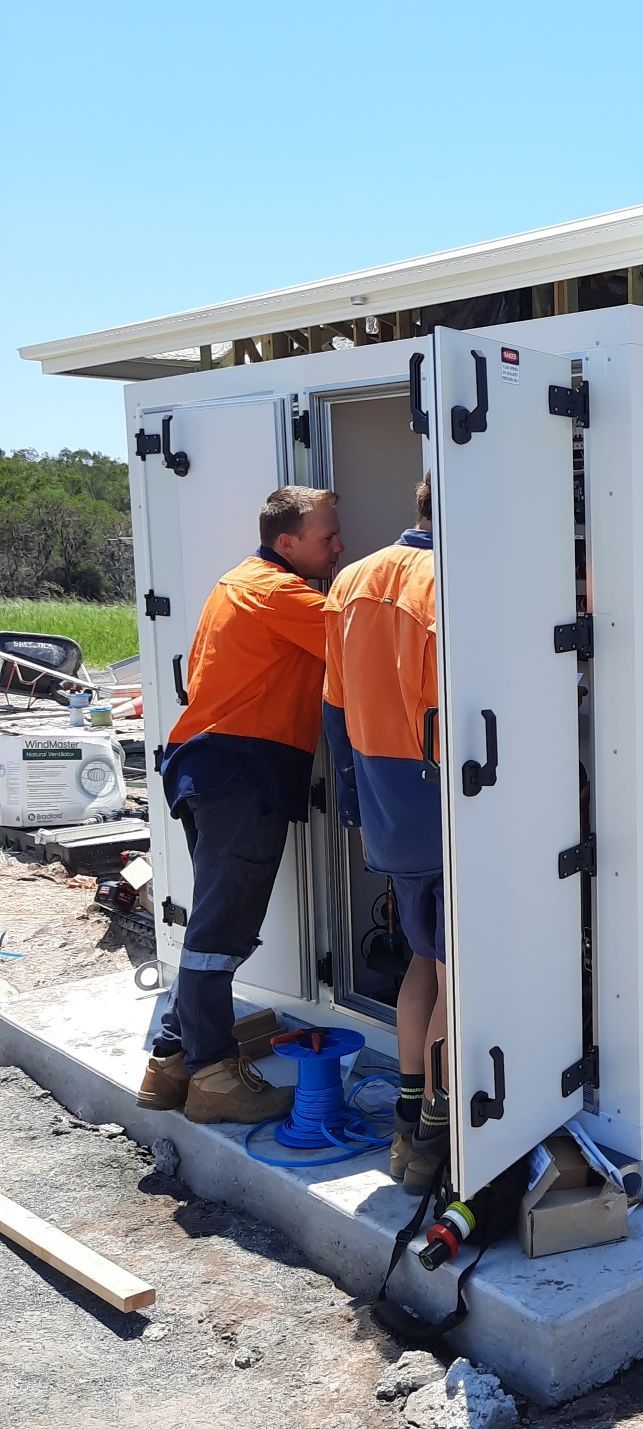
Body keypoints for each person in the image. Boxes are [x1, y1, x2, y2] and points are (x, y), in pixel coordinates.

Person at [136, 486, 344, 1123]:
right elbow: (363, 635)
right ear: (287, 544)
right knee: (220, 929)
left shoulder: (238, 583)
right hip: (241, 774)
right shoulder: (280, 593)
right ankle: (214, 1075)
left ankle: (170, 1062)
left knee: (211, 920)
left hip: (209, 768)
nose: (340, 547)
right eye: (328, 537)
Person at [322, 475, 447, 1194]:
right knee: (463, 978)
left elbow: (334, 708)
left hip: (388, 803)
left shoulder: (352, 579)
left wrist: (355, 805)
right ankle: (433, 1139)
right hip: (448, 805)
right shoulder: (455, 581)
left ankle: (406, 1123)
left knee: (422, 963)